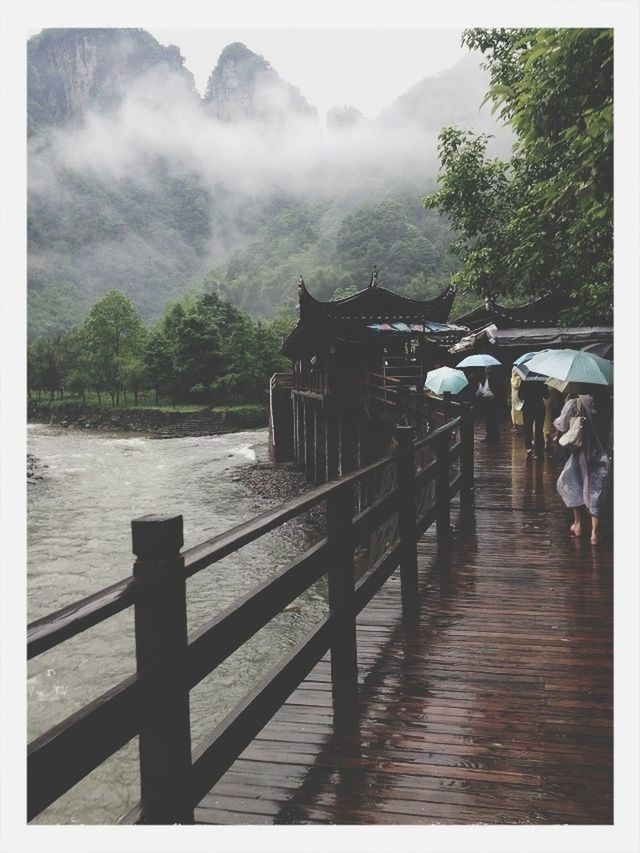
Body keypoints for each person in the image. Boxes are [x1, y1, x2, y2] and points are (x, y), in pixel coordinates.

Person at [553, 385, 612, 545]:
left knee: (574, 483)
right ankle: (594, 533)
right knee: (597, 490)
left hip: (579, 453)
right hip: (601, 453)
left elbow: (562, 425)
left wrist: (565, 409)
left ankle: (578, 524)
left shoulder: (575, 402)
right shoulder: (608, 404)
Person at [518, 380, 549, 459]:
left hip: (528, 407)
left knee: (528, 429)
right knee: (539, 430)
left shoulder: (525, 381)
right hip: (539, 407)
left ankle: (529, 449)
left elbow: (520, 395)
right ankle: (538, 452)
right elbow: (547, 395)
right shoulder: (541, 381)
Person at [475, 367, 501, 444]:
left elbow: (498, 389)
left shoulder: (494, 378)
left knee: (493, 420)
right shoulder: (484, 379)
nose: (487, 370)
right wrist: (480, 385)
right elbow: (481, 390)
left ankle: (495, 438)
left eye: (489, 369)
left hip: (492, 401)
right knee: (487, 420)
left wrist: (494, 395)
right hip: (485, 401)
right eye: (486, 369)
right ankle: (489, 436)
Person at [510, 367, 524, 431]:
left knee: (516, 410)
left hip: (515, 396)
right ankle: (517, 424)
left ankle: (516, 424)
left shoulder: (513, 378)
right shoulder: (518, 378)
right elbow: (517, 385)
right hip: (517, 396)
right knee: (517, 410)